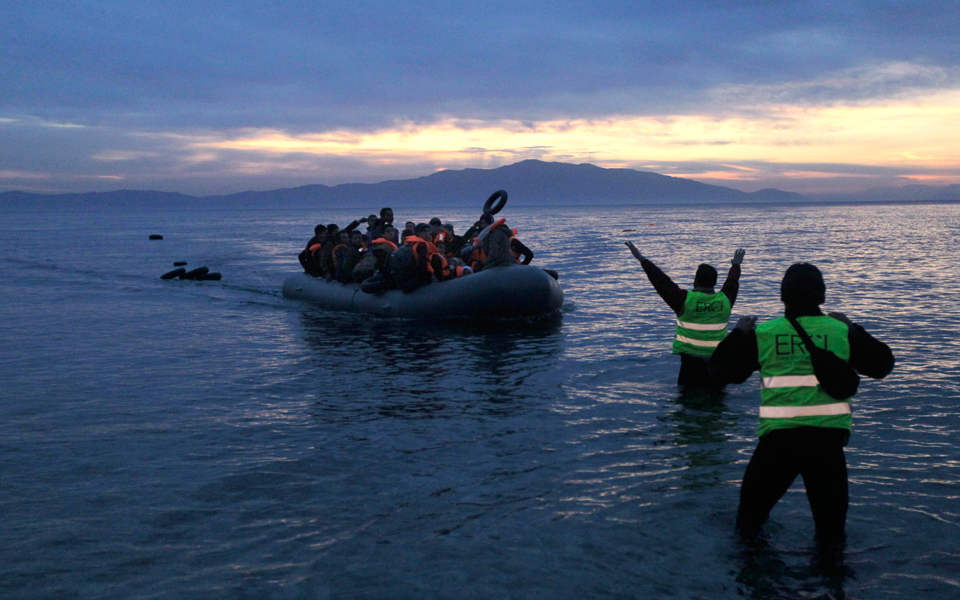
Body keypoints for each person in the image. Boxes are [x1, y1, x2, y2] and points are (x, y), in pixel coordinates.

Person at [709, 262, 894, 546]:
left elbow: (720, 371)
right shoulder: (839, 331)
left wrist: (738, 333)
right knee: (831, 537)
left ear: (783, 296)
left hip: (778, 444)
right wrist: (853, 329)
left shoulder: (766, 334)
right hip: (827, 446)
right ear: (822, 295)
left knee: (748, 526)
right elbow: (883, 365)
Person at [625, 241, 745, 388]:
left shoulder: (684, 300)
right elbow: (732, 281)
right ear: (714, 282)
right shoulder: (725, 300)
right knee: (717, 403)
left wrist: (640, 258)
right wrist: (736, 265)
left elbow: (661, 280)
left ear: (695, 281)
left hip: (691, 367)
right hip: (718, 367)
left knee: (687, 404)